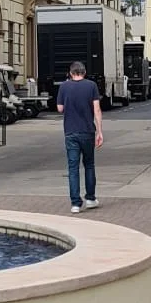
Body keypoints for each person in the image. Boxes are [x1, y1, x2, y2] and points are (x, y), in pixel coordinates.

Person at [56, 58, 103, 212]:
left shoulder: (64, 86)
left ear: (70, 73)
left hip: (70, 131)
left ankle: (75, 204)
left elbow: (60, 108)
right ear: (84, 72)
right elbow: (97, 109)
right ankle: (90, 198)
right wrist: (99, 131)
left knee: (73, 167)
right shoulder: (91, 86)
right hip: (88, 131)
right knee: (89, 165)